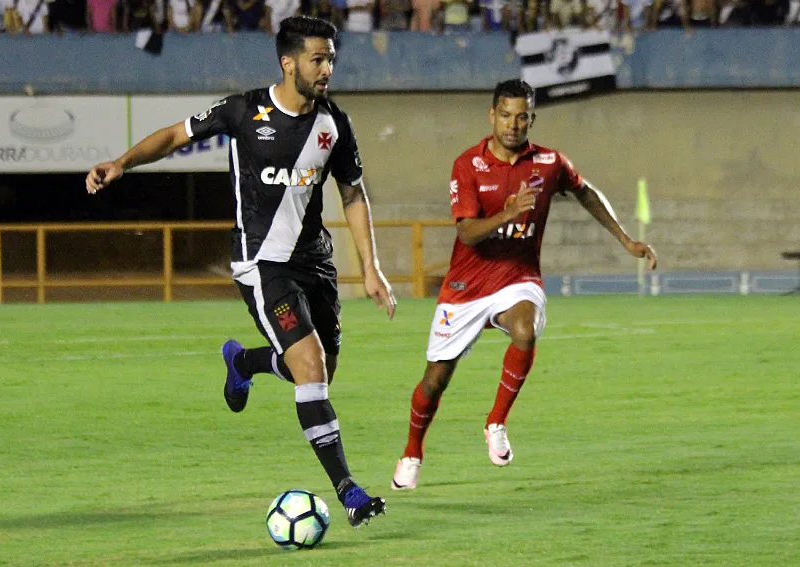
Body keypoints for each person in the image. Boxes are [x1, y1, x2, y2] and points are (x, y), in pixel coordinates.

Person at [85, 15, 396, 527]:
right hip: (261, 264)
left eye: (332, 60)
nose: (327, 70)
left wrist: (372, 269)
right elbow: (173, 137)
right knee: (311, 368)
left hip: (315, 262)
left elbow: (353, 193)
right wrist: (122, 163)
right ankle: (349, 492)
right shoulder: (243, 110)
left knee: (320, 372)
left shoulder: (334, 123)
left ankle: (246, 365)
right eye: (318, 59)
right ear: (288, 62)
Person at [391, 79, 657, 490]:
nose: (513, 125)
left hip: (518, 277)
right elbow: (467, 233)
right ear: (491, 116)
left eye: (521, 117)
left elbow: (585, 193)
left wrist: (626, 240)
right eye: (505, 115)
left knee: (525, 328)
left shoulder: (549, 162)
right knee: (435, 380)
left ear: (531, 118)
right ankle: (412, 452)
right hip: (466, 285)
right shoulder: (468, 164)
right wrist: (509, 213)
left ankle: (496, 422)